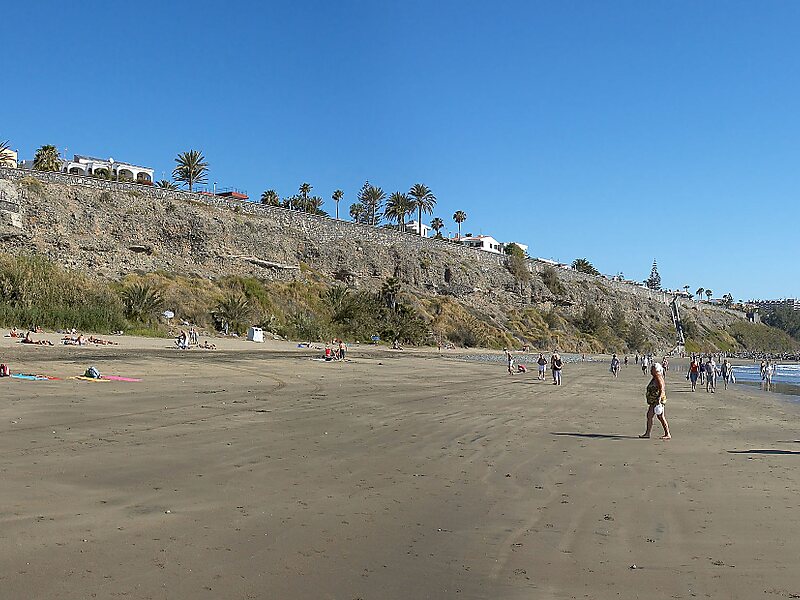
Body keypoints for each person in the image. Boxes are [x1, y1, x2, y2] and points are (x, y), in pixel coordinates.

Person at [640, 362, 670, 440]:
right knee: (650, 416)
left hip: (657, 400)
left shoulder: (658, 377)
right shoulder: (655, 377)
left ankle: (667, 433)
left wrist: (659, 399)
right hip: (654, 400)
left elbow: (662, 388)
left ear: (656, 370)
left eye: (652, 369)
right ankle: (647, 433)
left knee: (660, 417)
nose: (650, 370)